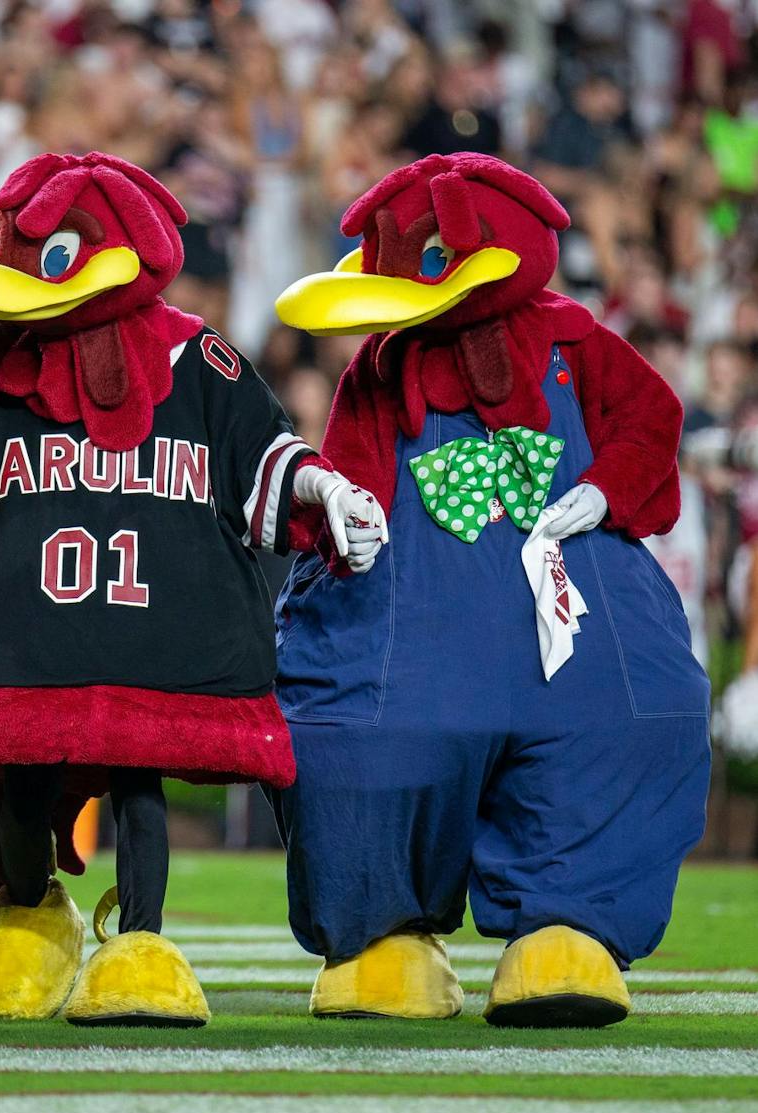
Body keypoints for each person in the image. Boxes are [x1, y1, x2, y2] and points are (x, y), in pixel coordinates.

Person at [0, 152, 383, 1027]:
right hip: (31, 642)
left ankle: (140, 942)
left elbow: (264, 451)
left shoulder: (194, 355)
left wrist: (323, 487)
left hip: (152, 639)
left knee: (135, 784)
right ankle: (28, 912)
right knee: (24, 784)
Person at [272, 153, 709, 1028]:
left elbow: (653, 418)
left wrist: (609, 485)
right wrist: (342, 516)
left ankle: (568, 928)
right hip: (424, 612)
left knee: (620, 720)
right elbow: (350, 466)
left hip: (569, 604)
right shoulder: (381, 367)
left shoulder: (576, 342)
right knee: (372, 733)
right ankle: (386, 934)